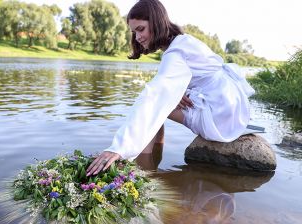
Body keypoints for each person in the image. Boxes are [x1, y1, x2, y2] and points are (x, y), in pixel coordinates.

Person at [86, 0, 255, 176]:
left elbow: (154, 95)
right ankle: (154, 157)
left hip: (220, 115)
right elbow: (196, 79)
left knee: (156, 106)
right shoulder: (184, 41)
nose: (137, 37)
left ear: (157, 22)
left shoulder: (175, 52)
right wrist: (179, 91)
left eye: (141, 29)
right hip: (229, 104)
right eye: (134, 32)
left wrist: (119, 148)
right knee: (164, 101)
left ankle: (144, 168)